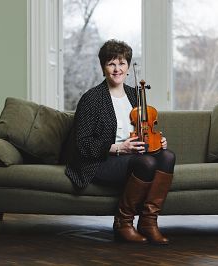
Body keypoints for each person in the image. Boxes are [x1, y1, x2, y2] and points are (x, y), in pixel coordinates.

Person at [65, 39, 176, 245]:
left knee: (168, 156)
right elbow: (81, 144)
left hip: (132, 156)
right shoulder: (92, 98)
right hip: (101, 160)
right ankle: (123, 223)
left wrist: (155, 140)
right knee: (147, 163)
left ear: (127, 66)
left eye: (122, 63)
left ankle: (148, 222)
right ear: (103, 68)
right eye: (111, 64)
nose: (117, 69)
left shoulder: (135, 94)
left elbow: (143, 127)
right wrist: (118, 148)